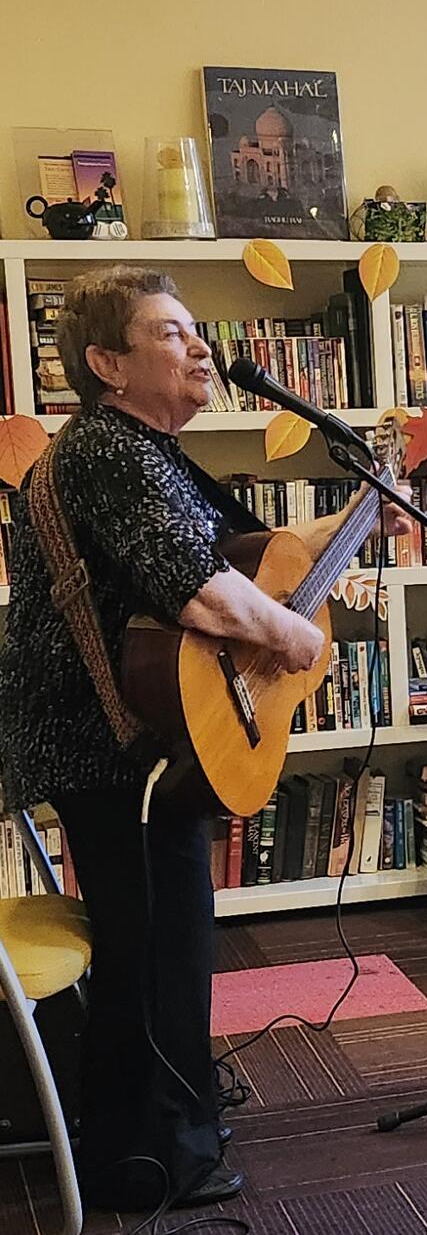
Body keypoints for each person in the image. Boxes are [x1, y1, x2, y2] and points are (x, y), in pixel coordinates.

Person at [0, 267, 362, 1211]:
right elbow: (201, 593)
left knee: (158, 940)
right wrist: (299, 637)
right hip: (109, 744)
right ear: (107, 363)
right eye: (170, 333)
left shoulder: (132, 453)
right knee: (161, 945)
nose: (200, 346)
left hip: (135, 735)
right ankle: (154, 1158)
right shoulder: (111, 451)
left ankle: (148, 1130)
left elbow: (219, 567)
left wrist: (338, 533)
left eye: (197, 330)